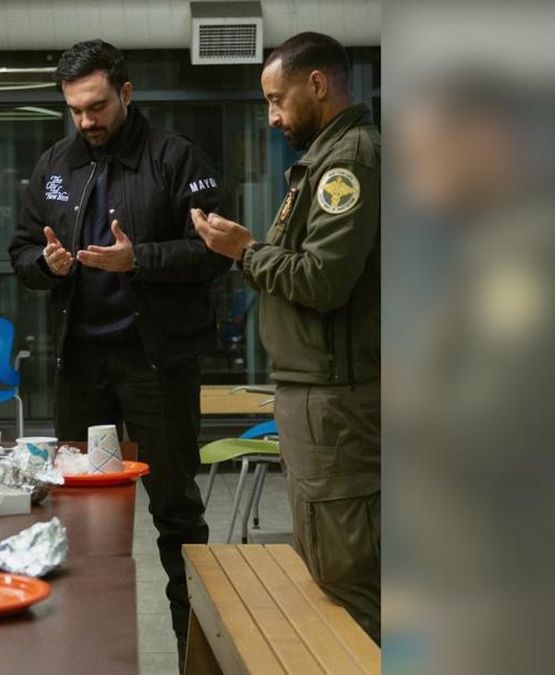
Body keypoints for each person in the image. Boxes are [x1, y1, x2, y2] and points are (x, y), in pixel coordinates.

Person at [8, 39, 231, 662]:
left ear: (126, 93)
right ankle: (87, 658)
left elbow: (216, 252)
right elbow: (20, 251)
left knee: (177, 514)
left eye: (97, 106)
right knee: (80, 520)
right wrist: (47, 264)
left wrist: (141, 259)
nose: (86, 120)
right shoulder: (55, 164)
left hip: (157, 364)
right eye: (75, 109)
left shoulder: (177, 158)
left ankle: (197, 660)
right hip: (80, 365)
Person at [192, 31, 381, 641]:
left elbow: (323, 280)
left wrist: (245, 251)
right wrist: (250, 250)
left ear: (317, 85)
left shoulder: (348, 162)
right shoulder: (323, 159)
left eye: (277, 100)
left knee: (349, 571)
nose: (272, 117)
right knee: (329, 559)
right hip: (316, 391)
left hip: (336, 395)